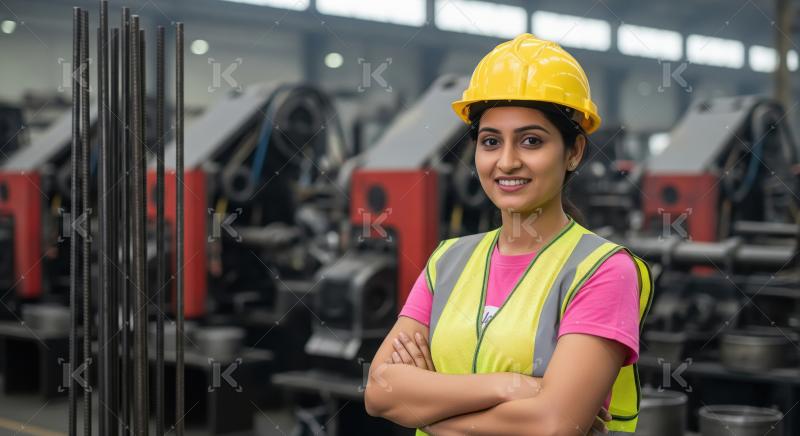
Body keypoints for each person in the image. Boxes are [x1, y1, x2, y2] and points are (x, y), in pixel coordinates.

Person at [364, 33, 654, 436]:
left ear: (574, 152)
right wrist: (511, 386)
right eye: (490, 141)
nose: (507, 161)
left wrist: (425, 410)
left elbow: (552, 425)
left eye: (531, 141)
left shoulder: (601, 271)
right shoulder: (447, 261)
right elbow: (380, 391)